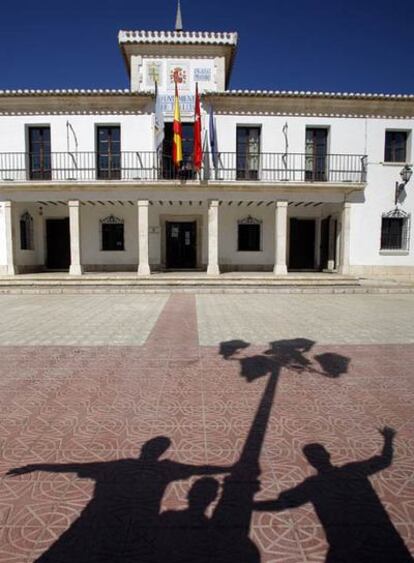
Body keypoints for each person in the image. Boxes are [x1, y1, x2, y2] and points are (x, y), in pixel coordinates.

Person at [8, 436, 233, 563]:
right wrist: (232, 468)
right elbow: (199, 469)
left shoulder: (120, 465)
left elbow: (76, 466)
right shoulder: (167, 469)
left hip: (99, 520)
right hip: (134, 523)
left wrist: (37, 466)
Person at [254, 427, 413, 562]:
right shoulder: (354, 470)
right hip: (385, 539)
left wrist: (247, 505)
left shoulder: (313, 485)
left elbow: (280, 504)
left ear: (310, 462)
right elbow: (385, 460)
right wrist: (388, 438)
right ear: (328, 455)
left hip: (347, 548)